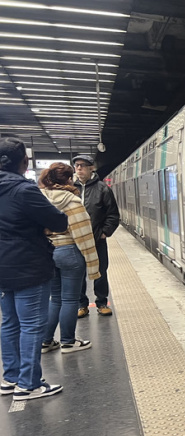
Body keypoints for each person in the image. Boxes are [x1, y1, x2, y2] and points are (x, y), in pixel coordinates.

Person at [0, 137, 68, 401]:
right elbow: (58, 221)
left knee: (9, 322)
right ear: (24, 162)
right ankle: (29, 384)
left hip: (3, 268)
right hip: (28, 265)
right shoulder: (23, 190)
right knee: (31, 325)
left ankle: (11, 378)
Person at [39, 162, 100, 354]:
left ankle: (46, 341)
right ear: (68, 179)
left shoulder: (39, 199)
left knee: (55, 298)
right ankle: (67, 341)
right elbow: (83, 234)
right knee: (70, 299)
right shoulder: (71, 201)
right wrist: (92, 263)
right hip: (69, 252)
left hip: (49, 252)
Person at [72, 154, 119, 318]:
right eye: (77, 165)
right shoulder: (70, 188)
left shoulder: (102, 189)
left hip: (96, 238)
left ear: (91, 168)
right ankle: (81, 304)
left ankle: (101, 303)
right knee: (78, 273)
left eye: (83, 165)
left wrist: (105, 233)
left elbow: (112, 214)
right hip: (75, 240)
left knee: (100, 272)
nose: (79, 168)